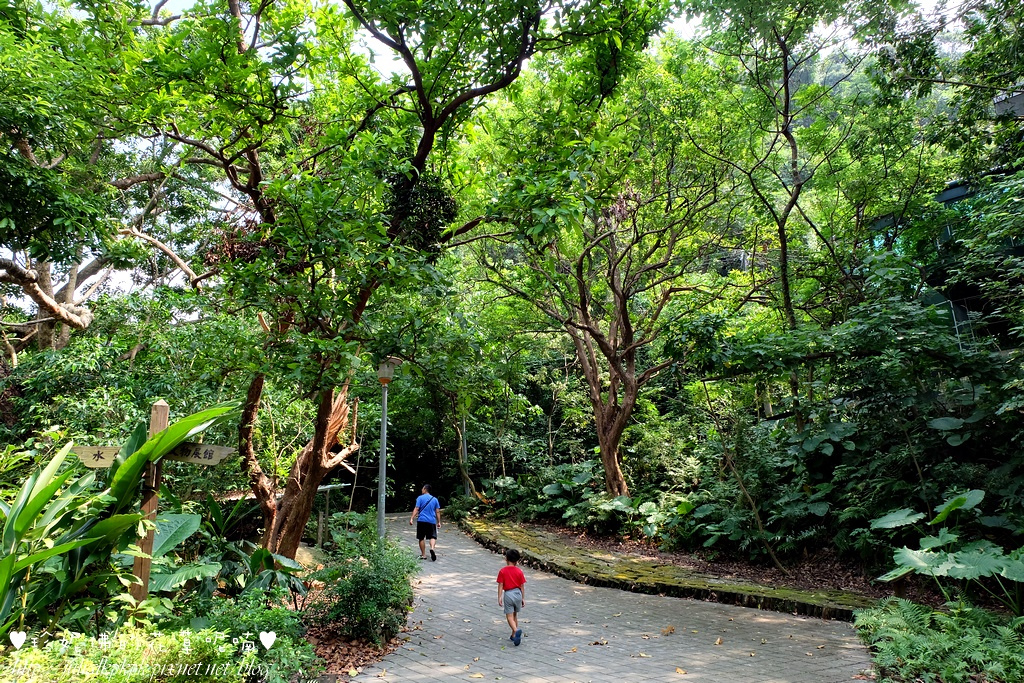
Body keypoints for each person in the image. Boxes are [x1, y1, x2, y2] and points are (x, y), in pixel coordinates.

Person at [497, 548, 526, 646]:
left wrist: (499, 597)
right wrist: (523, 598)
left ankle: (516, 630)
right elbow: (522, 586)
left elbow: (500, 585)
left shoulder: (503, 571)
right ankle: (513, 635)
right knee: (515, 615)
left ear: (506, 559)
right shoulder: (519, 572)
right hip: (518, 594)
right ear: (517, 561)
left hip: (508, 594)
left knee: (509, 616)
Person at [409, 484, 441, 561]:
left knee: (421, 538)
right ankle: (432, 548)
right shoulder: (435, 499)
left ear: (425, 489)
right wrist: (439, 522)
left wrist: (412, 518)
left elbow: (417, 508)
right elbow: (437, 512)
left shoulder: (420, 498)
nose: (421, 490)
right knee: (433, 536)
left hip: (422, 520)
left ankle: (423, 555)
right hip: (432, 521)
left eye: (422, 488)